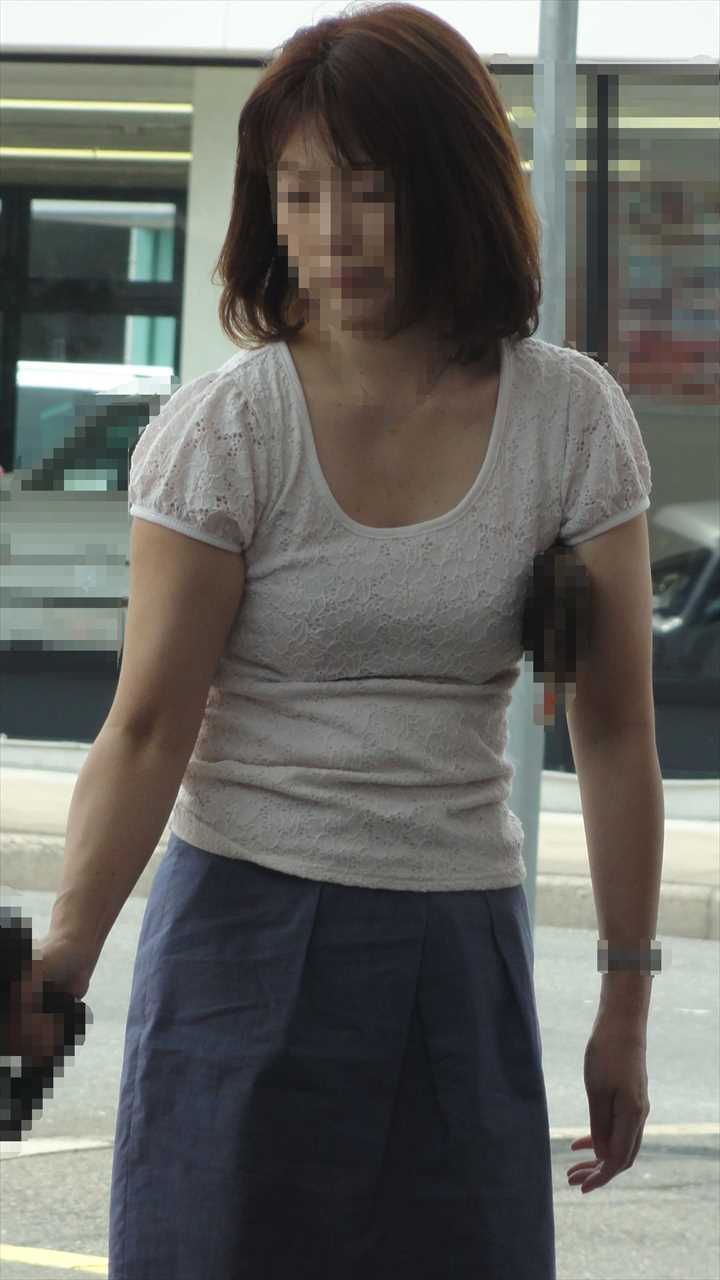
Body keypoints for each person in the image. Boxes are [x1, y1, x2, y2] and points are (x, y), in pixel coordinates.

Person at [36, 4, 654, 1278]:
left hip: (461, 940)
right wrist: (60, 967)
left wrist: (627, 1001)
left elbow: (613, 730)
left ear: (455, 189)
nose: (331, 233)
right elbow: (148, 727)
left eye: (372, 191)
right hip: (242, 935)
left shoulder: (571, 421)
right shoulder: (226, 433)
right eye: (299, 192)